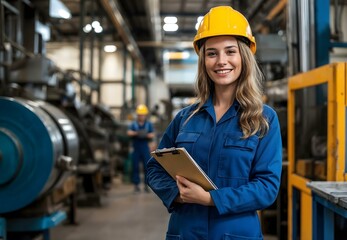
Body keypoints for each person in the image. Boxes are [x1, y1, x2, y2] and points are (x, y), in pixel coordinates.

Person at [146, 5, 282, 239]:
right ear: (203, 60)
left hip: (235, 233)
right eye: (212, 53)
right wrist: (177, 194)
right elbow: (154, 168)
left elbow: (267, 187)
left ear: (244, 56)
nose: (221, 61)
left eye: (230, 51)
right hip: (185, 231)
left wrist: (210, 199)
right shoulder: (185, 118)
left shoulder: (263, 119)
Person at [127, 104, 155, 192]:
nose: (141, 116)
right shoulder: (133, 124)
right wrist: (136, 133)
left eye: (143, 115)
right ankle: (136, 185)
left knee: (147, 166)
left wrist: (146, 135)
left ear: (145, 115)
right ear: (137, 115)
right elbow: (129, 132)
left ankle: (147, 185)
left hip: (145, 147)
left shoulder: (148, 124)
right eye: (140, 115)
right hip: (136, 148)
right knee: (135, 166)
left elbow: (152, 134)